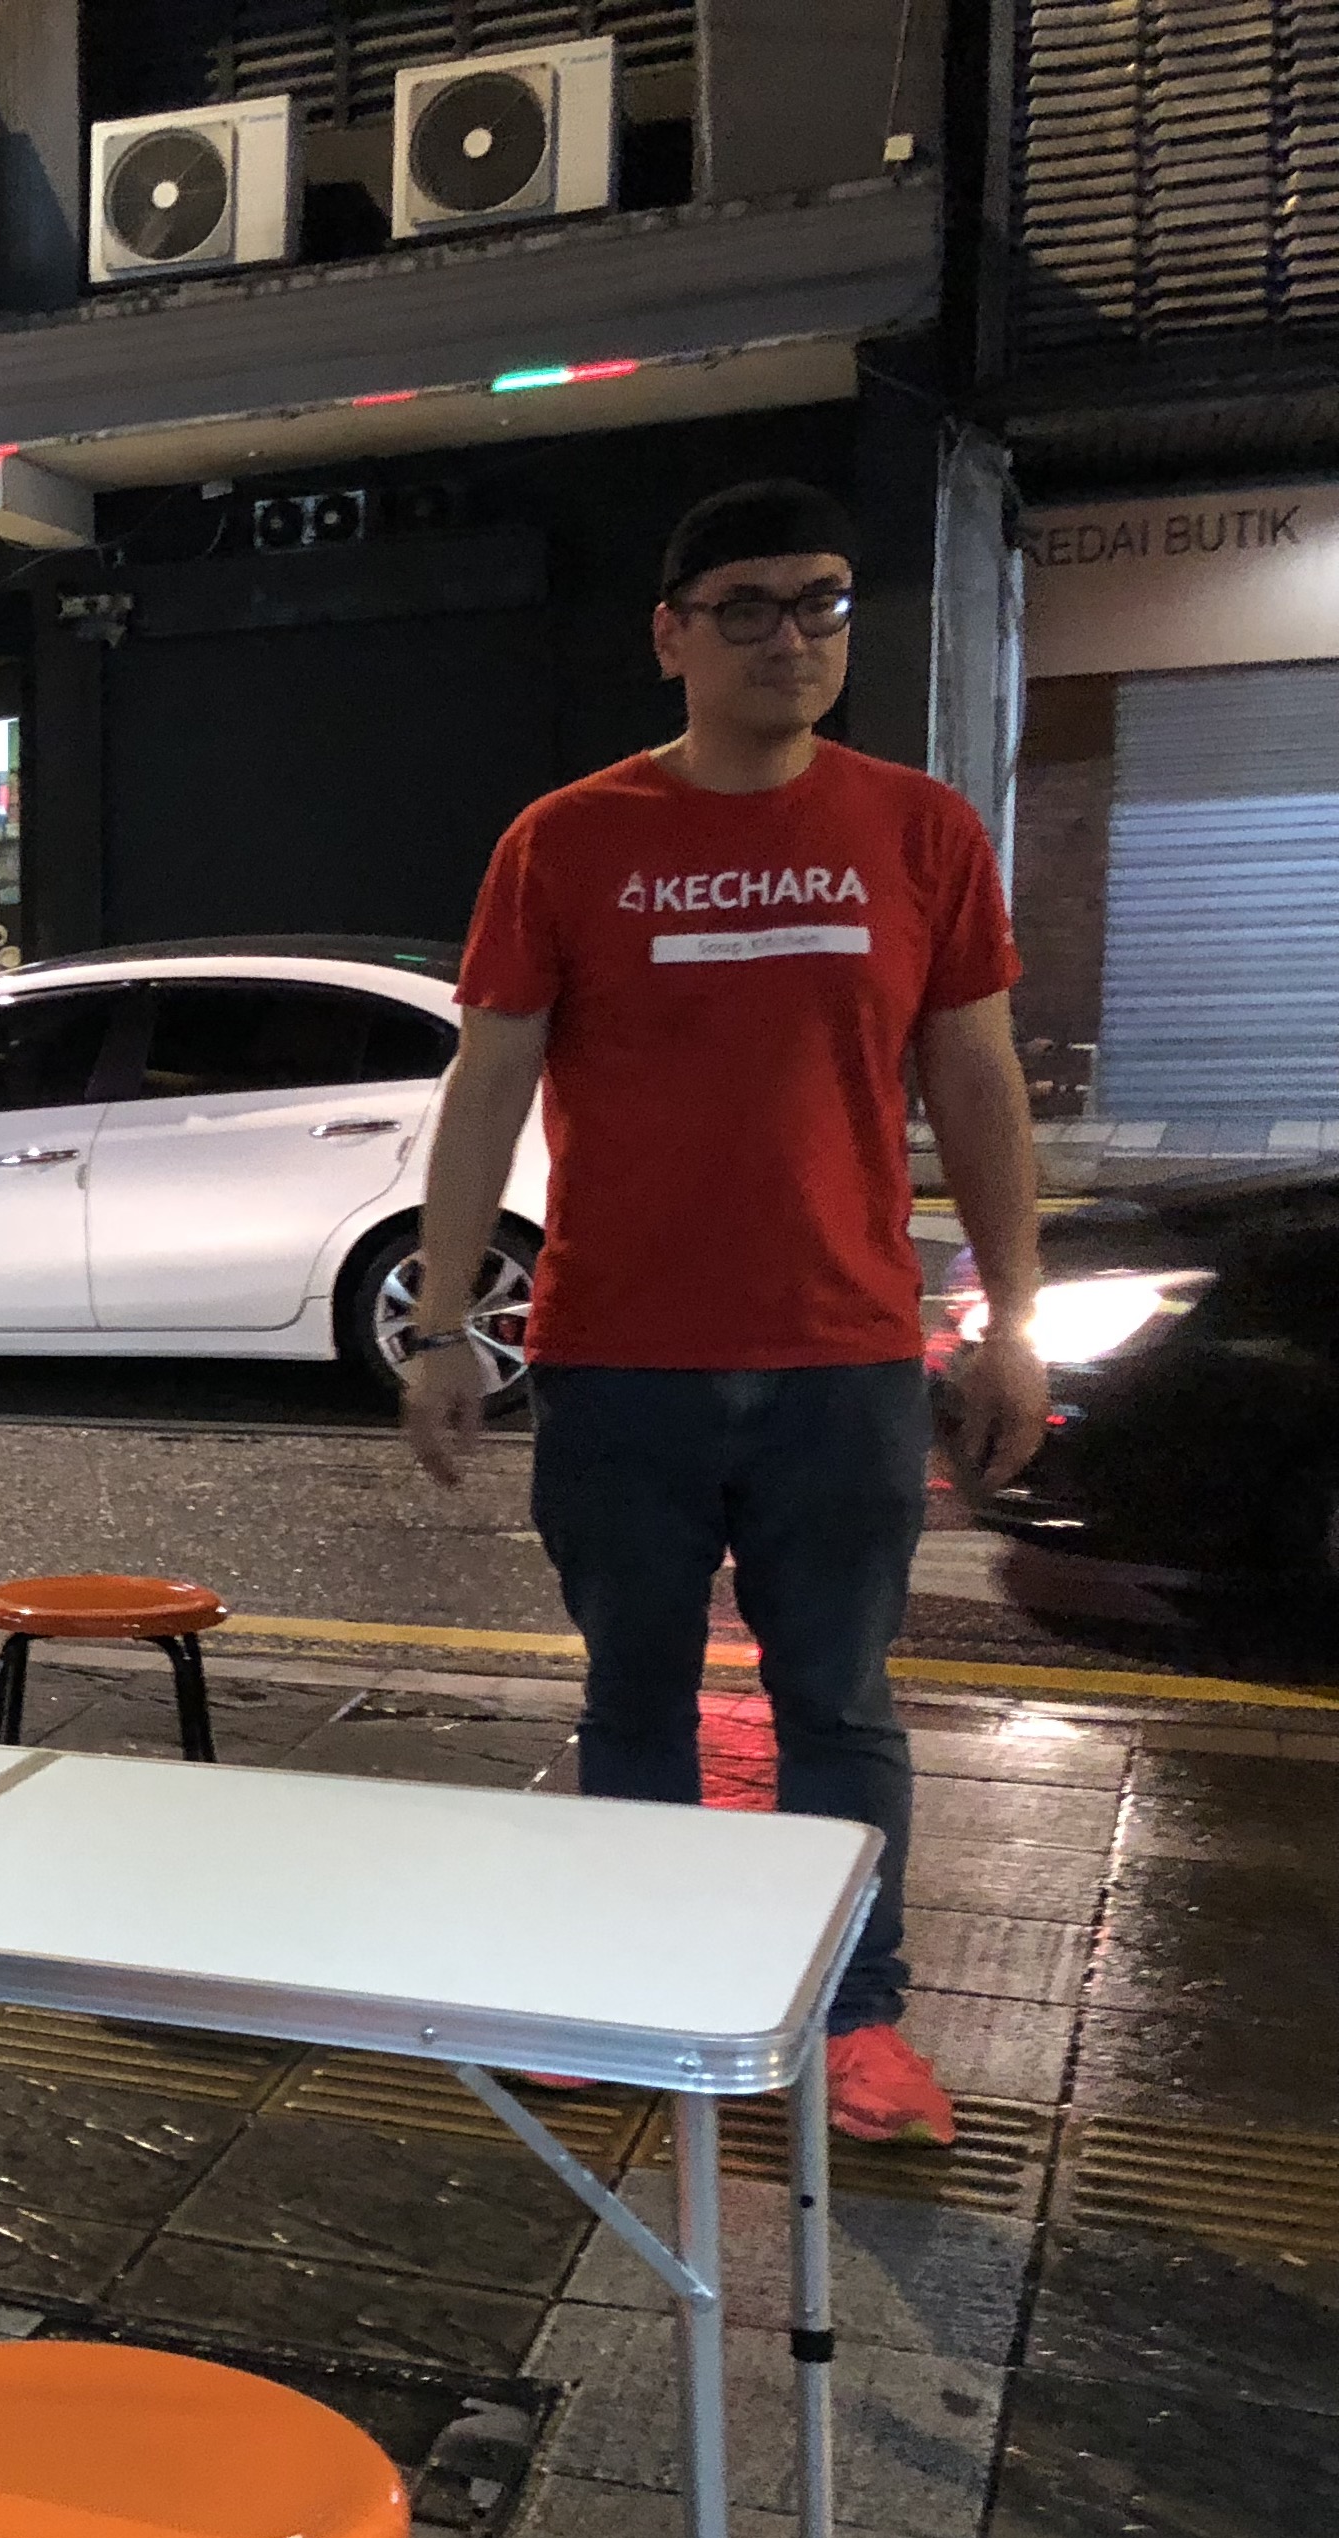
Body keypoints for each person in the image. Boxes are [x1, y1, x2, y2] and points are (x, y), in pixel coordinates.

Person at [401, 479, 1041, 2148]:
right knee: (634, 1699)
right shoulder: (566, 838)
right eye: (745, 607)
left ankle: (855, 2017)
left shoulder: (919, 830)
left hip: (845, 1362)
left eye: (821, 603)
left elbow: (976, 1083)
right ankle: (642, 1989)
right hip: (619, 1360)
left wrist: (1012, 1315)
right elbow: (487, 1084)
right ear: (670, 635)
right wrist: (442, 1326)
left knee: (841, 1703)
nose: (790, 638)